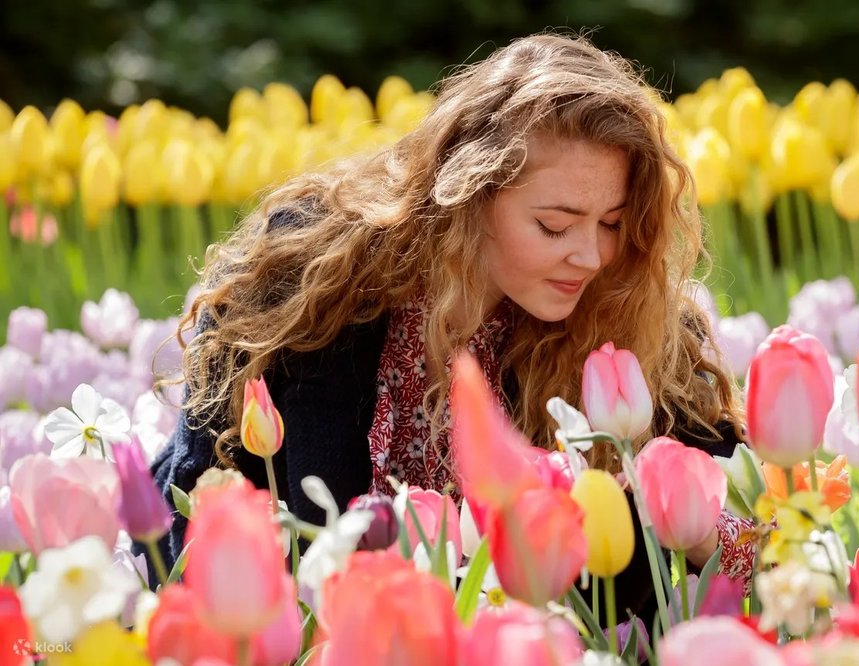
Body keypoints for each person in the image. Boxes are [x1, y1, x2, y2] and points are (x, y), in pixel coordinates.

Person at [145, 32, 755, 621]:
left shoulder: (624, 309)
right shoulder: (313, 278)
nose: (592, 256)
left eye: (613, 223)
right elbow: (198, 514)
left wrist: (695, 526)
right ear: (471, 193)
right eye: (554, 225)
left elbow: (747, 524)